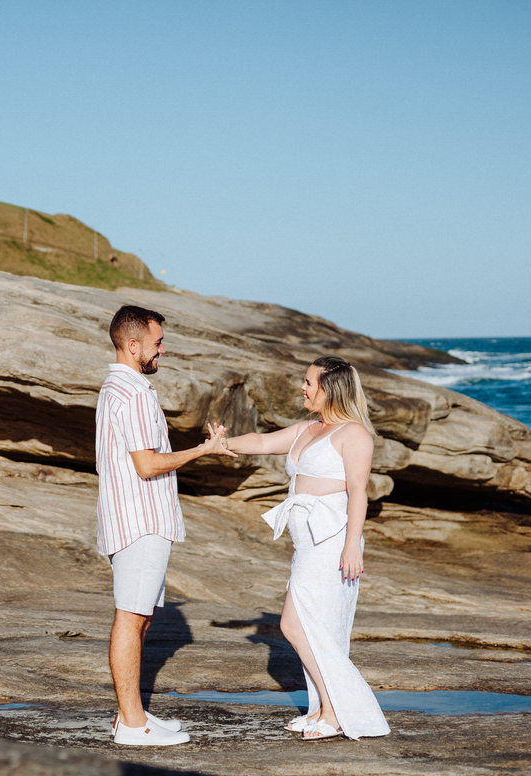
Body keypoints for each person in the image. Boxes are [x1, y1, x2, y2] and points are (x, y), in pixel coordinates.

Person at [214, 355, 390, 741]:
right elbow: (261, 441)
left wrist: (352, 547)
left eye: (309, 382)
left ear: (330, 389)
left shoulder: (354, 435)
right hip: (306, 545)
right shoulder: (308, 428)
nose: (303, 387)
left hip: (332, 543)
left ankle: (334, 711)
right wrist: (221, 445)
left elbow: (359, 491)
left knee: (294, 625)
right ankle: (326, 710)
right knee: (310, 627)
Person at [96, 305, 233, 746]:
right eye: (157, 343)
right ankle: (132, 726)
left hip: (136, 518)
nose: (162, 349)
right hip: (140, 522)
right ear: (132, 346)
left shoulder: (118, 387)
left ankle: (129, 715)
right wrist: (203, 451)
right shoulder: (133, 393)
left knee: (140, 618)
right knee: (130, 618)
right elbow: (148, 465)